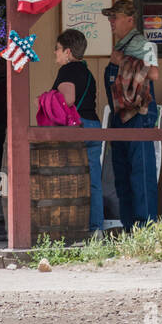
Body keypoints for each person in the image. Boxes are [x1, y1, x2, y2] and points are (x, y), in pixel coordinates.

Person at [101, 0, 160, 231]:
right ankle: (130, 230)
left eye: (115, 17)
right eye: (110, 17)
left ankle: (145, 230)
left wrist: (120, 61)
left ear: (130, 20)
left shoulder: (140, 43)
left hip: (139, 117)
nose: (111, 22)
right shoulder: (123, 44)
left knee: (141, 176)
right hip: (120, 117)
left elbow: (154, 73)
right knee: (123, 177)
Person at [52, 29, 104, 237]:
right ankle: (96, 229)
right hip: (93, 126)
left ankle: (71, 229)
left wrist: (48, 101)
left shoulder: (68, 70)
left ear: (68, 51)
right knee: (93, 181)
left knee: (68, 177)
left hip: (76, 129)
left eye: (57, 49)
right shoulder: (87, 71)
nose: (55, 53)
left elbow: (68, 99)